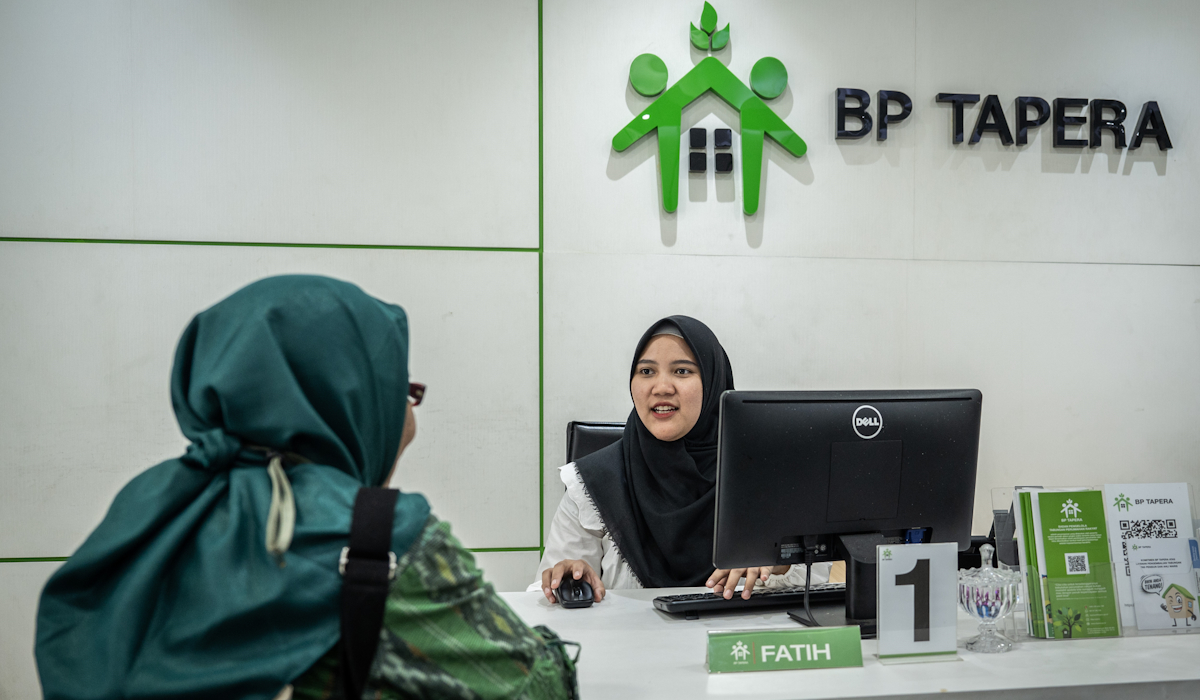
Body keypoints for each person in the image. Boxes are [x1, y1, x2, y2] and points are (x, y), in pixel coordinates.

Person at [35, 275, 578, 700]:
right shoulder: (380, 537)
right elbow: (535, 688)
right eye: (400, 392)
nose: (408, 423)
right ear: (351, 398)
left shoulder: (145, 506)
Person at [531, 315, 829, 603]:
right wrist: (562, 581)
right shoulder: (592, 483)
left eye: (682, 371)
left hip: (741, 644)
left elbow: (820, 580)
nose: (661, 387)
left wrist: (781, 563)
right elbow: (543, 593)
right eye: (646, 371)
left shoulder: (763, 474)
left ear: (713, 383)